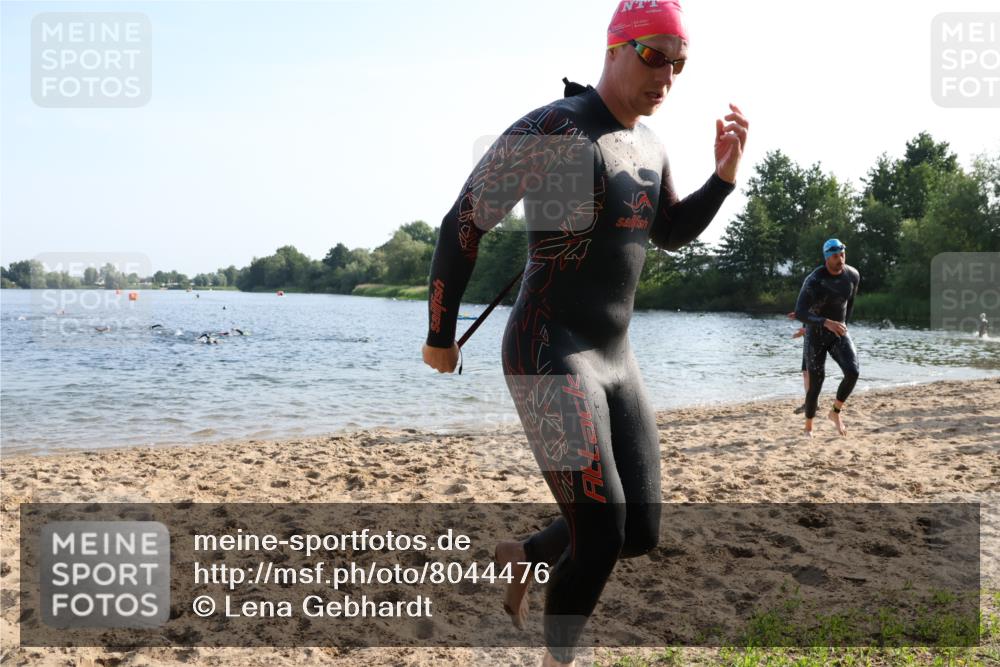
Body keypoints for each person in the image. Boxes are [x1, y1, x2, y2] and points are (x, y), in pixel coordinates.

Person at [421, 2, 748, 664]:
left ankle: (526, 553)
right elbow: (465, 220)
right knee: (600, 535)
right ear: (617, 48)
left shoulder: (650, 147)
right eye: (655, 56)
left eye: (679, 63)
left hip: (615, 358)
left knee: (639, 529)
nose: (668, 76)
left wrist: (723, 178)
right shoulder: (556, 129)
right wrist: (440, 333)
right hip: (549, 347)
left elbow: (671, 233)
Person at [793, 239, 861, 437]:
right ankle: (808, 427)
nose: (840, 259)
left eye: (842, 255)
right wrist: (825, 322)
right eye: (835, 256)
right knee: (816, 384)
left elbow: (849, 303)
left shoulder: (853, 275)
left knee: (853, 371)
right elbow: (800, 312)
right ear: (826, 258)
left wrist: (843, 324)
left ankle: (835, 412)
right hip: (816, 335)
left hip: (838, 332)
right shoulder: (814, 280)